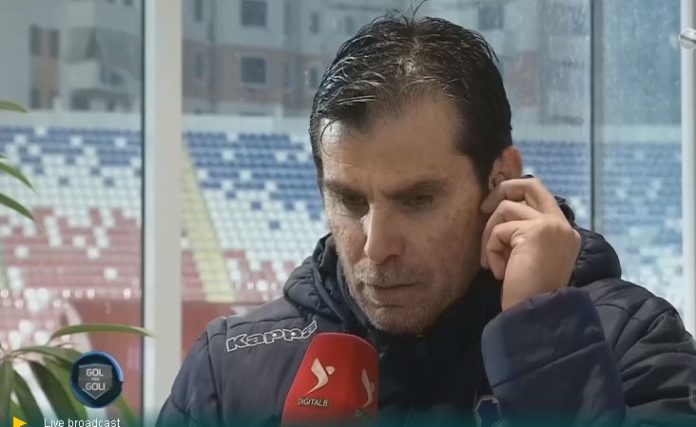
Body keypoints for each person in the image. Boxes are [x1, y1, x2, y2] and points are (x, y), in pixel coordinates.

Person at [156, 14, 696, 427]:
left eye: (417, 200)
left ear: (500, 178)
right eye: (349, 200)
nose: (376, 247)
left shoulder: (632, 340)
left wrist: (541, 338)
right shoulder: (227, 369)